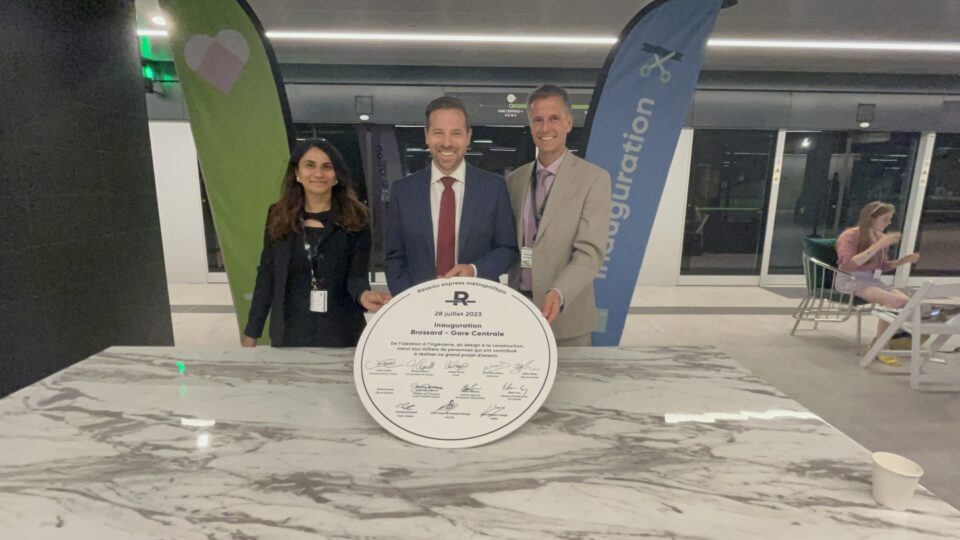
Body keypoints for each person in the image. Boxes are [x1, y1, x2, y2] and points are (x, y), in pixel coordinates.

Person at [242, 140, 391, 347]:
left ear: (336, 176)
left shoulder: (357, 217)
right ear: (297, 173)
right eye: (310, 165)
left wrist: (363, 295)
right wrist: (252, 332)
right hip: (289, 331)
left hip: (341, 331)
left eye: (327, 167)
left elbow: (356, 276)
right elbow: (267, 276)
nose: (318, 174)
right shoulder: (278, 216)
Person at [506, 85, 611, 346]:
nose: (545, 128)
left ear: (568, 122)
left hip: (567, 319)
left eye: (553, 118)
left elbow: (590, 253)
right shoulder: (515, 180)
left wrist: (559, 292)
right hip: (519, 314)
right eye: (537, 120)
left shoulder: (594, 179)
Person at [384, 96, 517, 294]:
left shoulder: (494, 188)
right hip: (419, 307)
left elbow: (507, 249)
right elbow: (394, 257)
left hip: (478, 305)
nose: (447, 143)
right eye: (438, 133)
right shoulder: (403, 191)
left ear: (468, 136)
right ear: (427, 135)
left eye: (456, 133)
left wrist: (474, 270)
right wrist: (407, 299)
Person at [835, 201, 920, 352]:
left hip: (870, 279)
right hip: (850, 278)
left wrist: (903, 261)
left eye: (890, 219)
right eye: (885, 219)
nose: (889, 223)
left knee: (908, 302)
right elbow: (847, 265)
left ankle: (891, 338)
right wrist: (879, 245)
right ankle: (880, 344)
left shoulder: (879, 237)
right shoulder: (850, 235)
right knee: (894, 300)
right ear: (871, 219)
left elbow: (882, 266)